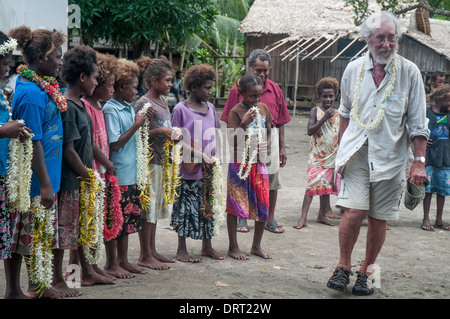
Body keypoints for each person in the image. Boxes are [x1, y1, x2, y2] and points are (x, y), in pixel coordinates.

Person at [326, 12, 429, 296]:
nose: (386, 44)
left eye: (391, 38)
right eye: (380, 38)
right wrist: (339, 154)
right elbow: (345, 114)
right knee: (354, 210)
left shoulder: (409, 72)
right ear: (368, 40)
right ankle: (343, 266)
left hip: (392, 157)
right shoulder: (353, 70)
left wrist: (418, 163)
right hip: (357, 152)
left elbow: (419, 124)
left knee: (378, 217)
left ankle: (366, 270)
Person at [7, 26, 65, 299]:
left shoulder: (42, 87)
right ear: (42, 58)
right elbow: (34, 141)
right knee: (30, 232)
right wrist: (44, 183)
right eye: (57, 57)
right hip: (35, 178)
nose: (61, 62)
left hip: (45, 175)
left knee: (37, 231)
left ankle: (35, 285)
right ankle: (33, 288)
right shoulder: (31, 94)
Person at [221, 49, 290, 234]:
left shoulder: (275, 89)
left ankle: (269, 218)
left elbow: (280, 121)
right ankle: (242, 217)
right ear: (250, 67)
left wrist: (281, 147)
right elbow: (230, 121)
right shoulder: (238, 89)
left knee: (271, 180)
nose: (262, 74)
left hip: (268, 140)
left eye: (265, 70)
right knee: (244, 177)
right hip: (243, 144)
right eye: (258, 70)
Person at [54, 46, 100, 296]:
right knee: (63, 233)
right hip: (71, 180)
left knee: (74, 231)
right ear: (82, 77)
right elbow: (69, 150)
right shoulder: (69, 107)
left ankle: (76, 276)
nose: (96, 82)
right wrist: (87, 175)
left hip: (80, 180)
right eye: (94, 77)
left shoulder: (80, 105)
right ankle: (58, 280)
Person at [103, 58, 153, 279]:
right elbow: (115, 143)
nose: (137, 91)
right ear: (121, 87)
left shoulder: (127, 107)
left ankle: (123, 260)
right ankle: (111, 262)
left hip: (131, 174)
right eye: (133, 87)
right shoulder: (110, 109)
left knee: (127, 221)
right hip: (119, 174)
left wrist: (141, 121)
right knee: (115, 221)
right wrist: (136, 124)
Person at [170, 64, 224, 262]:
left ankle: (207, 246)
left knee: (207, 206)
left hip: (209, 167)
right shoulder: (180, 110)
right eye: (206, 88)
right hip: (187, 168)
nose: (210, 92)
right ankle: (181, 248)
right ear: (192, 87)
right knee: (185, 206)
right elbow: (176, 140)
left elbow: (214, 133)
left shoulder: (210, 108)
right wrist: (199, 156)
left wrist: (214, 157)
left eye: (211, 88)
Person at [134, 58, 178, 269]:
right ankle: (144, 254)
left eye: (172, 81)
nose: (171, 84)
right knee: (148, 209)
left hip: (162, 161)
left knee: (156, 208)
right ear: (153, 81)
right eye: (168, 80)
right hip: (149, 162)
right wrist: (160, 131)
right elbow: (139, 134)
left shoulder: (163, 101)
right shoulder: (144, 103)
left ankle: (152, 250)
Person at [0, 31, 34, 298]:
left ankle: (13, 291)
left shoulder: (1, 91)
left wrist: (15, 132)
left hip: (5, 175)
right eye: (3, 60)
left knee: (6, 237)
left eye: (9, 59)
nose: (7, 66)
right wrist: (3, 130)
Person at [226, 74, 272, 260]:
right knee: (235, 204)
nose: (256, 100)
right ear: (241, 93)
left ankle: (256, 246)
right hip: (239, 163)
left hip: (259, 163)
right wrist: (244, 123)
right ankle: (233, 246)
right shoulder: (235, 112)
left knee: (263, 203)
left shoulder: (263, 108)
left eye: (258, 96)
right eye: (252, 96)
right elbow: (232, 140)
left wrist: (267, 143)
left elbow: (270, 130)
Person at [82, 53, 118, 282]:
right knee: (87, 222)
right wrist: (106, 163)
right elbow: (90, 142)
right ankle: (84, 272)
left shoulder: (98, 105)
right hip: (91, 170)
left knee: (96, 221)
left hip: (101, 172)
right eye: (110, 85)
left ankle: (93, 267)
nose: (112, 89)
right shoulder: (87, 106)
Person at [293, 77, 340, 230]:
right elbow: (310, 131)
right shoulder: (316, 111)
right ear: (319, 96)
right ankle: (303, 218)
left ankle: (321, 215)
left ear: (335, 96)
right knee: (311, 186)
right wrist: (324, 119)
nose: (328, 99)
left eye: (331, 96)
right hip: (317, 157)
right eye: (324, 96)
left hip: (332, 156)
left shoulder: (338, 114)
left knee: (325, 186)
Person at [422, 84, 450, 231]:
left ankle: (439, 219)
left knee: (442, 191)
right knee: (428, 190)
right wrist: (423, 141)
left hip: (446, 159)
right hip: (430, 158)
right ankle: (426, 218)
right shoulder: (427, 113)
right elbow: (418, 129)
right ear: (440, 99)